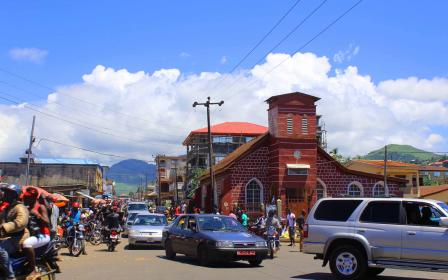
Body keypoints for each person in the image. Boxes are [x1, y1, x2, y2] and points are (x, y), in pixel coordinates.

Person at [0, 184, 30, 280]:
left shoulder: (20, 207)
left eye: (8, 193)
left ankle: (10, 276)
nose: (5, 194)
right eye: (5, 192)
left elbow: (21, 222)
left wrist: (4, 227)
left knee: (0, 250)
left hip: (18, 238)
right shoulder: (7, 208)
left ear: (14, 195)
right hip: (7, 237)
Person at [22, 187, 51, 280]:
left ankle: (34, 270)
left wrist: (37, 214)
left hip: (43, 235)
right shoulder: (26, 208)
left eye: (27, 198)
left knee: (26, 244)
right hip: (31, 235)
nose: (25, 199)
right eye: (25, 198)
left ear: (34, 198)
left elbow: (47, 223)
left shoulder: (40, 207)